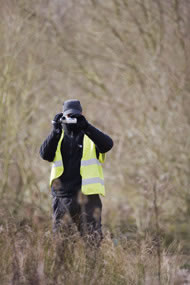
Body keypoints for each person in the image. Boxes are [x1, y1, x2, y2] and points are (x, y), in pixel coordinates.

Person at [39, 99, 113, 246]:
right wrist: (55, 130)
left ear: (82, 114)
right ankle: (65, 270)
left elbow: (107, 144)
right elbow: (44, 154)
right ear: (62, 116)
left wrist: (86, 126)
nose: (72, 119)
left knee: (93, 244)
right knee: (62, 246)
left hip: (88, 198)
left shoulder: (90, 136)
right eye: (68, 116)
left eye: (75, 116)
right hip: (62, 199)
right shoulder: (57, 136)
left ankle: (93, 270)